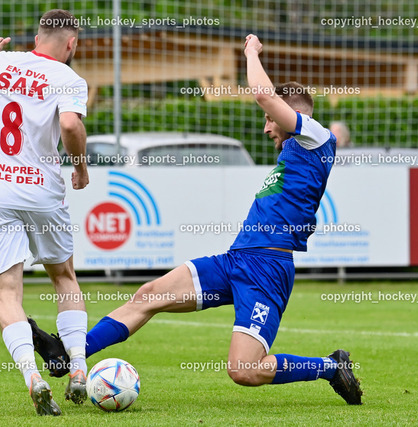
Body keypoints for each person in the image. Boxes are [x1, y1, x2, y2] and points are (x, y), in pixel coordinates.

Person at [32, 34, 363, 405]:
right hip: (236, 260)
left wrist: (251, 53)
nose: (267, 127)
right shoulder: (292, 155)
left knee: (244, 370)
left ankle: (330, 367)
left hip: (267, 270)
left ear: (295, 115)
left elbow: (265, 95)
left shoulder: (317, 138)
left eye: (271, 120)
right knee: (148, 296)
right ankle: (68, 354)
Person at [0, 9, 90, 416]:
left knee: (7, 291)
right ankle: (78, 368)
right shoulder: (69, 79)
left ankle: (32, 377)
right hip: (43, 194)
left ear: (38, 36)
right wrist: (79, 166)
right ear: (71, 44)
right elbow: (72, 125)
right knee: (64, 277)